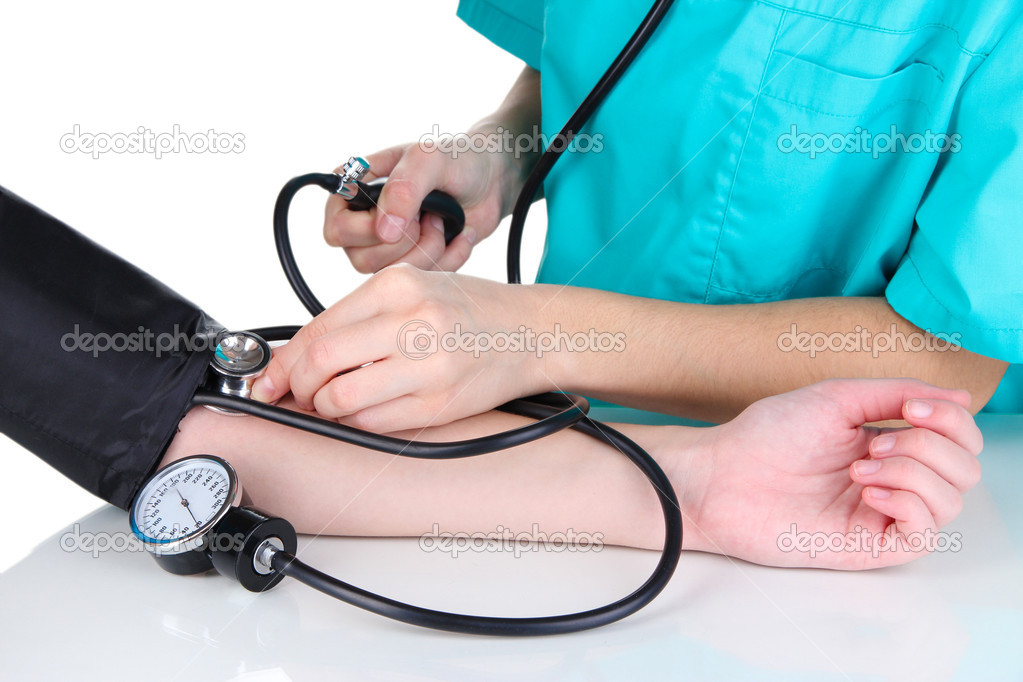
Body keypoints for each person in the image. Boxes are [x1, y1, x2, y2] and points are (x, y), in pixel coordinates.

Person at [246, 1, 1022, 431]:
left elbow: (952, 355)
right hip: (558, 428)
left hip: (873, 492)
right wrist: (502, 151)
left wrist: (533, 335)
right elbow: (583, 50)